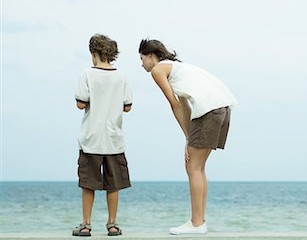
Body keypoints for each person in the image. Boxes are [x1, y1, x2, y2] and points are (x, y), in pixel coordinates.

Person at [138, 39, 238, 235]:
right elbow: (185, 105)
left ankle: (197, 223)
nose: (142, 64)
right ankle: (199, 221)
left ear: (151, 56)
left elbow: (174, 105)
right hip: (222, 109)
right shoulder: (178, 68)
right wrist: (188, 138)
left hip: (210, 111)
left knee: (193, 166)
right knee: (198, 167)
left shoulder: (158, 70)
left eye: (142, 59)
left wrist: (188, 138)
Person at [73, 34, 133, 237]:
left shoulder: (87, 74)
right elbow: (127, 107)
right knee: (113, 185)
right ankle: (113, 224)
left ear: (94, 53)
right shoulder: (122, 76)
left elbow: (81, 103)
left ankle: (86, 225)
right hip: (114, 139)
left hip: (91, 138)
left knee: (88, 183)